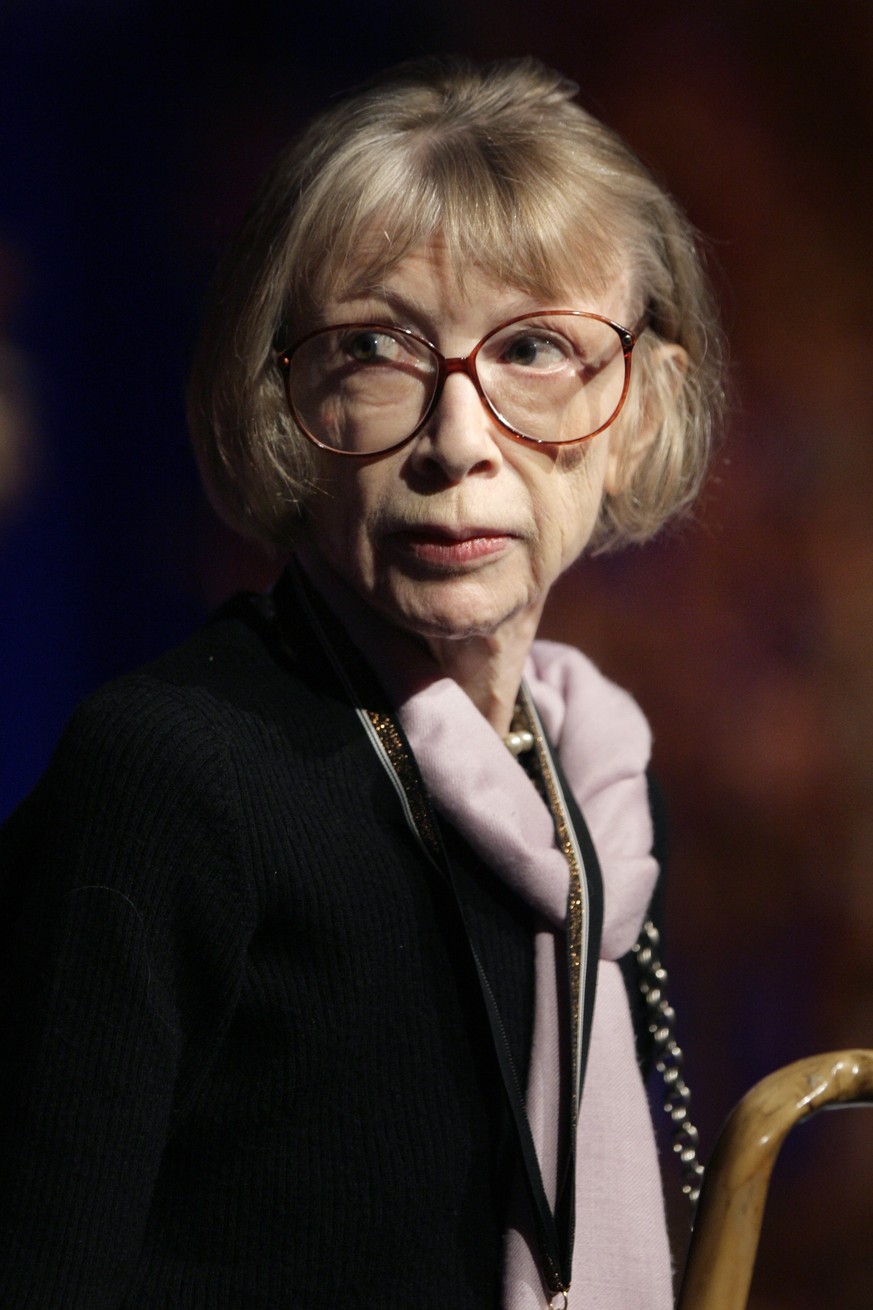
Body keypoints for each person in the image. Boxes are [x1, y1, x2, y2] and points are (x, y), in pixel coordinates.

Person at [0, 56, 723, 1310]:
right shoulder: (173, 777)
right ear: (282, 400)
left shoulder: (599, 783)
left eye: (538, 347)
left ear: (641, 409)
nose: (457, 441)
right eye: (377, 349)